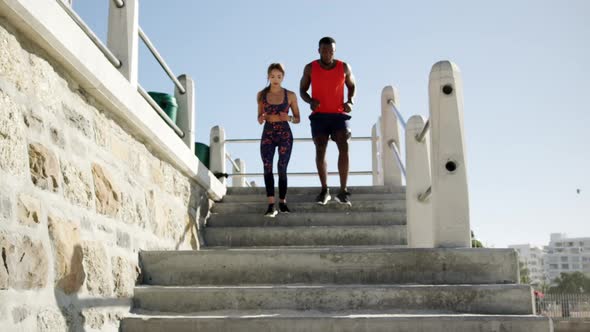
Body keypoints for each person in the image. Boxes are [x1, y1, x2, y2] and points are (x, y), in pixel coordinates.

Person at [299, 36, 356, 206]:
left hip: (339, 114)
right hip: (319, 115)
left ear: (334, 51)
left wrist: (350, 101)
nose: (327, 53)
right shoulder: (310, 68)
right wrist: (310, 101)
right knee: (320, 148)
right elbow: (302, 90)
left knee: (344, 145)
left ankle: (343, 191)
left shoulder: (344, 67)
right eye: (324, 50)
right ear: (319, 51)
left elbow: (352, 85)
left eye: (330, 50)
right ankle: (325, 190)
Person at [257, 63, 301, 217]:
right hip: (268, 134)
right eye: (273, 76)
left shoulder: (290, 95)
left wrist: (288, 117)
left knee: (282, 167)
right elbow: (259, 116)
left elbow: (297, 119)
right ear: (268, 76)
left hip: (284, 135)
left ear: (283, 77)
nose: (276, 79)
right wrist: (261, 118)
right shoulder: (261, 95)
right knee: (267, 166)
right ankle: (271, 205)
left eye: (279, 76)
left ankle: (282, 202)